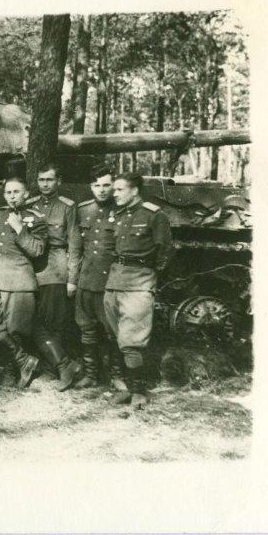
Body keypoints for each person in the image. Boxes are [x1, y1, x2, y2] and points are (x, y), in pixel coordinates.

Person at [104, 172, 173, 408]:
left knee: (131, 339)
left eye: (119, 190)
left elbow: (165, 251)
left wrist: (150, 275)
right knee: (116, 336)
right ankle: (124, 387)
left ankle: (139, 392)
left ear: (134, 191)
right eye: (114, 190)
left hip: (139, 281)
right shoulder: (119, 215)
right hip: (115, 281)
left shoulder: (154, 215)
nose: (114, 194)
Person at [0, 177, 47, 389]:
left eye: (16, 192)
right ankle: (24, 361)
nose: (12, 196)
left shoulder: (35, 218)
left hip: (19, 280)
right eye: (8, 192)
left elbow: (37, 250)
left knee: (15, 331)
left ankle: (15, 369)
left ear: (26, 194)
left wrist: (20, 229)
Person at [27, 164, 82, 391]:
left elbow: (75, 245)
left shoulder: (67, 207)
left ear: (58, 181)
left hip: (55, 267)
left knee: (54, 321)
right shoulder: (29, 205)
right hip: (31, 268)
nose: (45, 184)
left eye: (49, 180)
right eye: (41, 180)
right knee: (34, 319)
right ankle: (57, 365)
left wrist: (72, 279)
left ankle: (58, 369)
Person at [71, 166, 121, 391]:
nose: (101, 190)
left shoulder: (121, 210)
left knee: (113, 330)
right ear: (91, 187)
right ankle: (91, 375)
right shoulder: (83, 210)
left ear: (113, 186)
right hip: (86, 279)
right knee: (87, 329)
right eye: (97, 185)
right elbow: (75, 248)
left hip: (110, 281)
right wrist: (73, 279)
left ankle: (116, 376)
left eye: (106, 185)